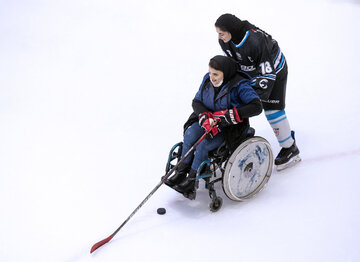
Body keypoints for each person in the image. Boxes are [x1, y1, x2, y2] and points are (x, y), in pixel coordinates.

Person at [165, 55, 262, 195]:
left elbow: (256, 106)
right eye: (210, 73)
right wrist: (204, 116)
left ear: (225, 73)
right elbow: (196, 102)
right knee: (190, 134)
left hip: (230, 127)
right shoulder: (207, 80)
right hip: (210, 121)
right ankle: (181, 170)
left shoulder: (240, 85)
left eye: (216, 74)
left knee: (203, 144)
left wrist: (230, 115)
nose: (212, 77)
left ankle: (192, 180)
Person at [214, 13, 300, 170]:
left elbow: (268, 74)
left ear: (231, 30)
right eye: (217, 33)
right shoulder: (224, 41)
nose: (219, 37)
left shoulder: (255, 41)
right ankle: (238, 138)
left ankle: (290, 147)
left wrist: (252, 98)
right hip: (253, 70)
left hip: (275, 70)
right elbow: (235, 64)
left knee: (272, 110)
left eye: (221, 33)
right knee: (232, 101)